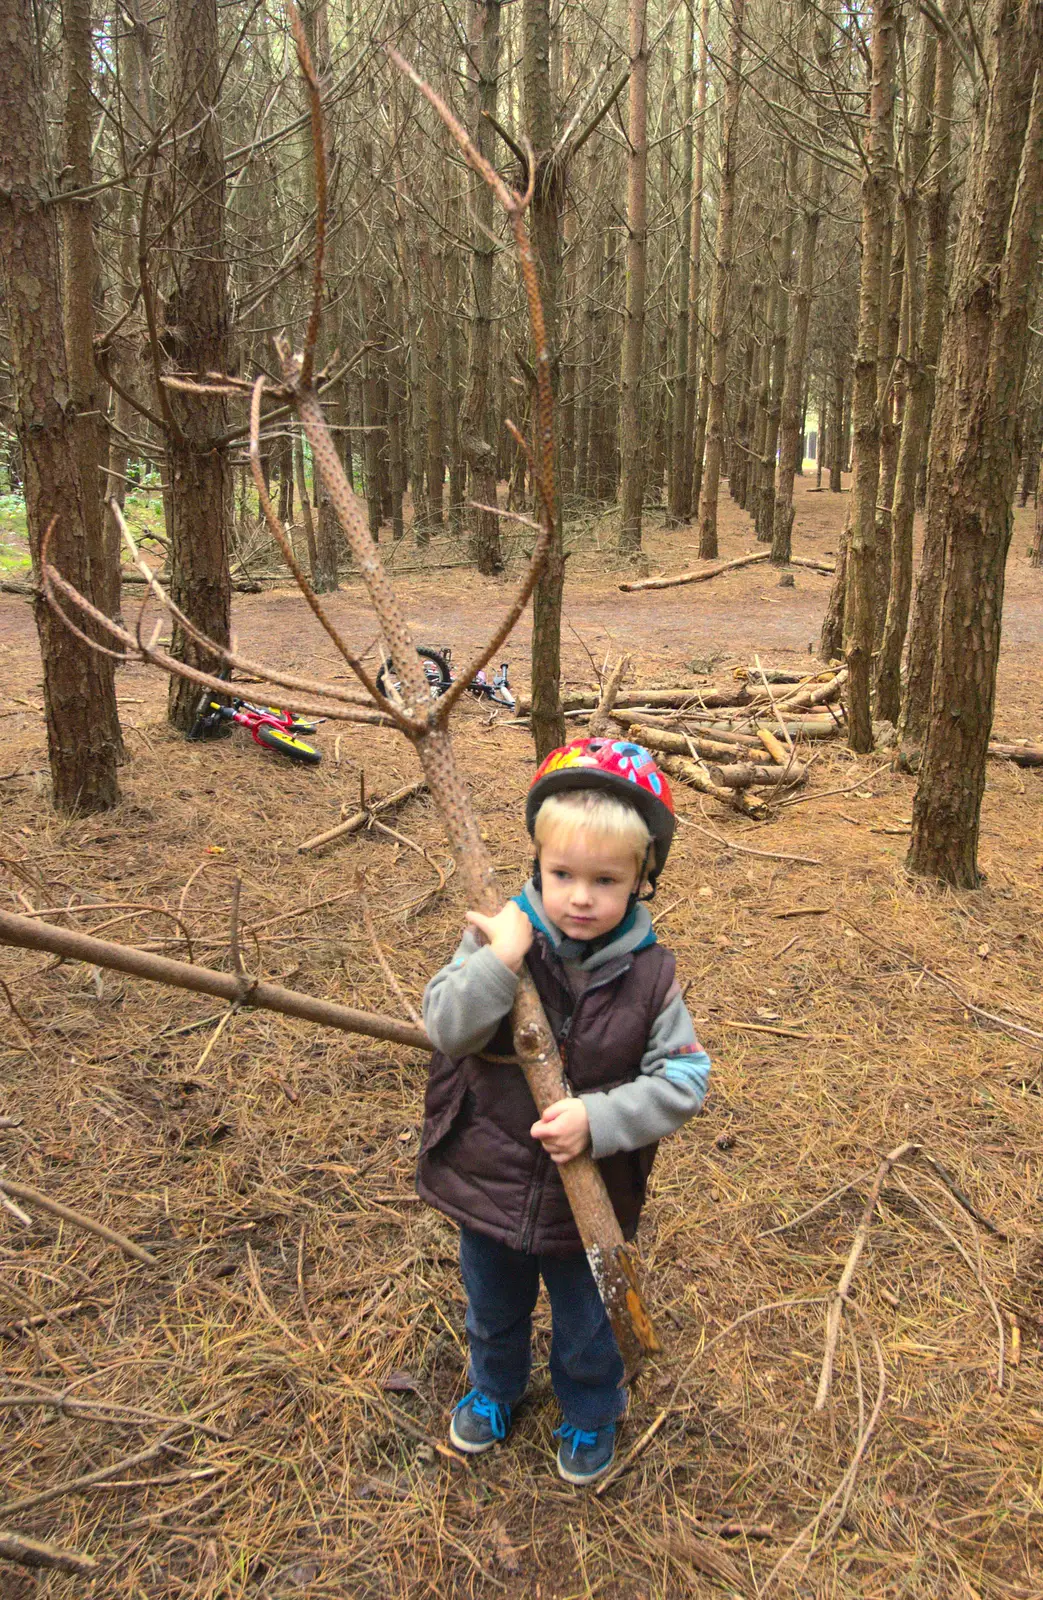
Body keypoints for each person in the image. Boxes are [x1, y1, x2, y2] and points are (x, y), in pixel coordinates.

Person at [418, 738, 711, 1485]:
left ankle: (588, 1409)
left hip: (592, 1196)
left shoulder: (650, 977)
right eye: (561, 875)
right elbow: (447, 1028)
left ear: (642, 879)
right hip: (490, 1173)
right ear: (537, 865)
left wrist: (600, 1120)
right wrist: (498, 961)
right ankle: (494, 1388)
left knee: (587, 1322)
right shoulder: (499, 937)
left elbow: (684, 1077)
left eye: (604, 880)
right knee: (491, 1302)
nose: (579, 897)